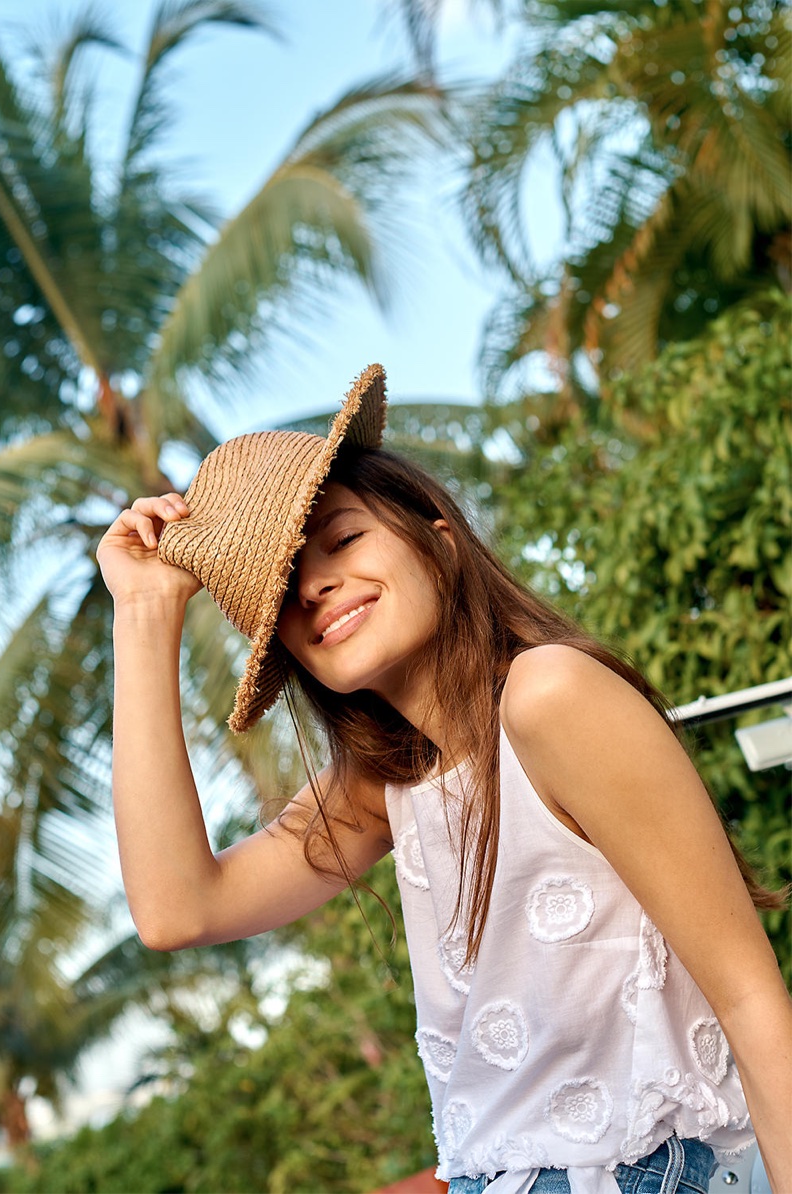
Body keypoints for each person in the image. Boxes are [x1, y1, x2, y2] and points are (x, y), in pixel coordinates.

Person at [97, 364, 791, 1194]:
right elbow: (179, 908)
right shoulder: (385, 788)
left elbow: (753, 1002)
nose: (316, 584)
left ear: (440, 539)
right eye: (285, 591)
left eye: (345, 539)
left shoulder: (548, 696)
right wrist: (142, 614)